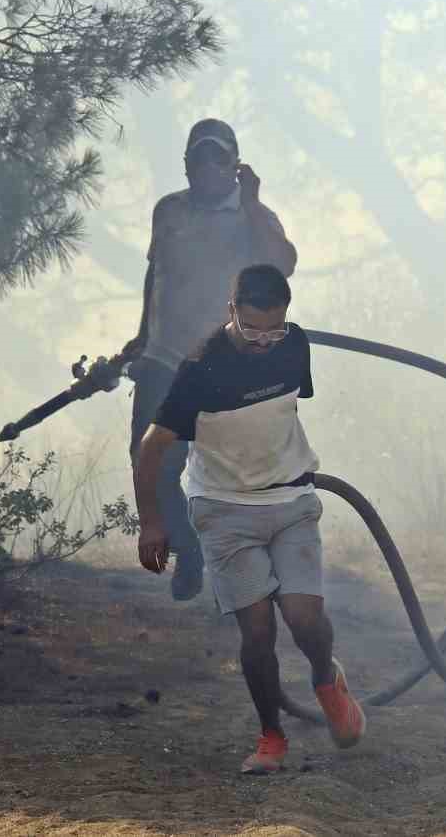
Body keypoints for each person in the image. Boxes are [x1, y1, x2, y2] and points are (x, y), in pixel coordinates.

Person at [132, 264, 364, 775]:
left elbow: (283, 412)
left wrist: (281, 468)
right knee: (257, 631)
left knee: (304, 619)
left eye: (274, 328)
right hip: (224, 511)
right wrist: (152, 521)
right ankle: (272, 738)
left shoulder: (295, 345)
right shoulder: (200, 369)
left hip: (290, 503)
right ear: (231, 310)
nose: (264, 341)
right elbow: (152, 448)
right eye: (252, 328)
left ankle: (327, 681)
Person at [123, 118, 298, 601]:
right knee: (150, 460)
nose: (206, 166)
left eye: (217, 156)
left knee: (237, 474)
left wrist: (255, 203)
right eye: (198, 156)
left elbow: (283, 266)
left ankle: (259, 570)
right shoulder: (169, 211)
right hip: (163, 359)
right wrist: (141, 337)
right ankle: (189, 549)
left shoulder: (253, 216)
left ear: (235, 164)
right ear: (185, 164)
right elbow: (154, 275)